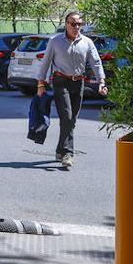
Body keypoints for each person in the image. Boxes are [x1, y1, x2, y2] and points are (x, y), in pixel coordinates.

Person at [37, 11, 107, 170]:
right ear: (66, 24)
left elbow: (96, 62)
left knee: (71, 120)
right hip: (60, 82)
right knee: (67, 116)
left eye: (79, 24)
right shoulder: (55, 41)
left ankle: (60, 150)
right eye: (73, 24)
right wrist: (40, 84)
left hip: (78, 83)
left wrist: (101, 82)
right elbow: (46, 62)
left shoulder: (87, 42)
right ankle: (68, 154)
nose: (76, 27)